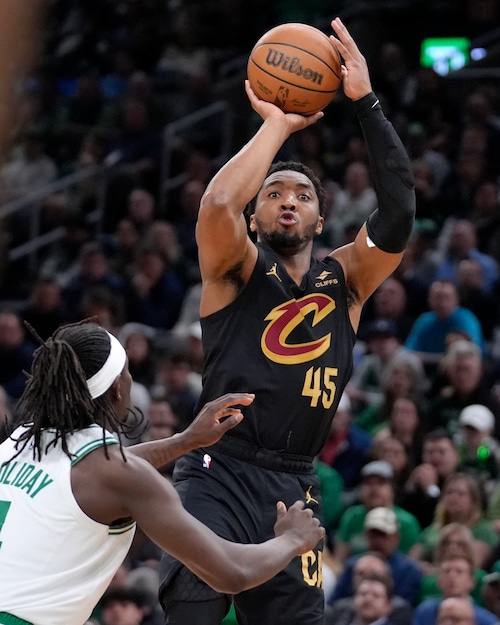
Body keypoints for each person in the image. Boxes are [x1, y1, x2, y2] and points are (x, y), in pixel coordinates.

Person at [158, 16, 416, 625]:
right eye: (273, 192)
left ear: (321, 220)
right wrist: (276, 125)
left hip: (294, 483)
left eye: (302, 194)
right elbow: (219, 202)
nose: (288, 200)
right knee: (193, 607)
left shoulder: (346, 279)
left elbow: (400, 210)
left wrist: (366, 103)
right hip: (219, 468)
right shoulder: (234, 270)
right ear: (257, 218)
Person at [0, 321, 324, 625]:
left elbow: (99, 473)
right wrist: (292, 540)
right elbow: (231, 572)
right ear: (117, 389)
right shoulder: (120, 475)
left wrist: (185, 441)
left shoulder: (19, 441)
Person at [330, 506, 422, 605]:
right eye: (373, 535)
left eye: (383, 535)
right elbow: (333, 604)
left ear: (396, 538)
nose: (378, 541)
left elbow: (403, 609)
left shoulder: (408, 570)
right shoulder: (353, 565)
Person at [325, 552, 414, 625]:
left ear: (388, 605)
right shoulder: (339, 610)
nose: (368, 599)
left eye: (376, 595)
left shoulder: (402, 610)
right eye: (363, 594)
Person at [412, 555, 498, 625]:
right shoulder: (424, 612)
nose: (452, 576)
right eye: (447, 571)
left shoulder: (487, 620)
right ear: (438, 581)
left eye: (459, 571)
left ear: (472, 581)